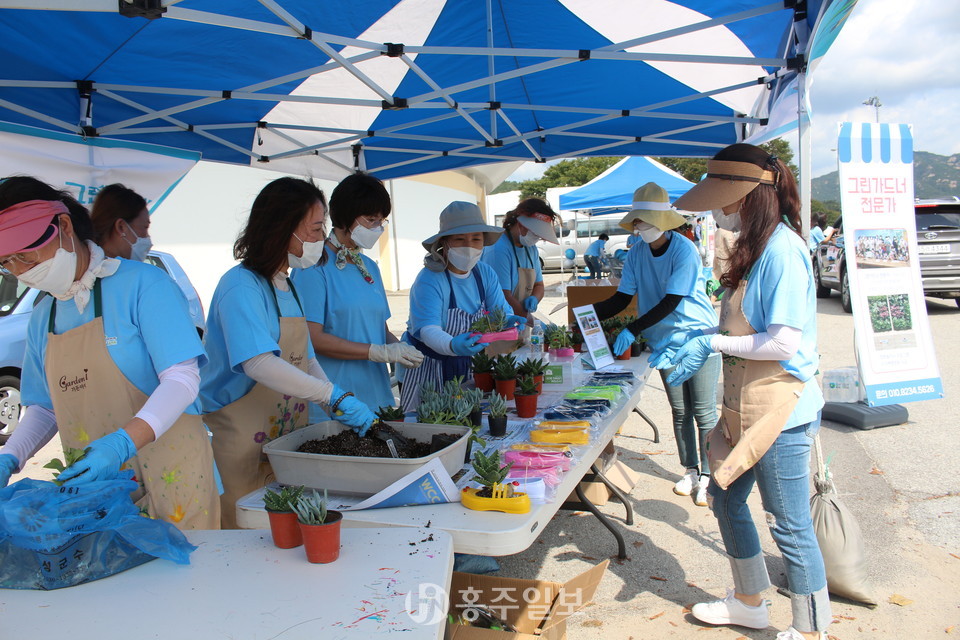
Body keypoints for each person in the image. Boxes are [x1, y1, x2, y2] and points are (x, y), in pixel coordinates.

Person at [662, 143, 829, 640]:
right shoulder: (753, 248)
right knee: (725, 498)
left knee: (789, 523)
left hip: (781, 408)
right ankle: (751, 602)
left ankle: (812, 626)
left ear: (749, 197)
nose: (717, 210)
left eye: (723, 200)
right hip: (742, 403)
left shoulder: (783, 250)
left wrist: (710, 341)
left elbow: (781, 342)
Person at [0, 177, 219, 529]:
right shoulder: (44, 315)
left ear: (64, 227)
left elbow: (182, 378)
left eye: (26, 255)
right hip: (98, 489)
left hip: (173, 474)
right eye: (7, 263)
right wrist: (11, 456)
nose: (20, 271)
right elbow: (45, 407)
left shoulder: (145, 285)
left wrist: (121, 443)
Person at [201, 177, 376, 528]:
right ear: (284, 228)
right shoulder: (241, 286)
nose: (320, 238)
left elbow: (306, 359)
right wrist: (332, 394)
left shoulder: (287, 285)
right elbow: (258, 362)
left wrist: (335, 405)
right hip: (240, 445)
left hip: (283, 442)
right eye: (314, 228)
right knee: (248, 538)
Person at [592, 182, 720, 506]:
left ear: (663, 221)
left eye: (645, 221)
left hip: (697, 336)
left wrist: (632, 329)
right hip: (663, 341)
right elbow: (622, 298)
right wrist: (586, 315)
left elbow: (671, 302)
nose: (640, 227)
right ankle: (690, 469)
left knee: (703, 411)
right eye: (637, 221)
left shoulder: (684, 250)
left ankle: (710, 477)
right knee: (680, 410)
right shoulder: (636, 253)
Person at [290, 174, 422, 419]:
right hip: (335, 400)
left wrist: (400, 349)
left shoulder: (369, 267)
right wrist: (375, 352)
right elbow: (312, 338)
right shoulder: (313, 267)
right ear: (345, 217)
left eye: (382, 220)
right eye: (371, 219)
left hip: (376, 397)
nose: (378, 228)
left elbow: (378, 329)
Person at [401, 202, 525, 411]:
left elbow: (499, 311)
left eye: (476, 239)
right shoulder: (430, 279)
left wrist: (508, 320)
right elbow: (428, 330)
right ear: (444, 243)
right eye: (459, 239)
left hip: (466, 365)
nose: (469, 245)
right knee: (429, 427)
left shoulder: (484, 273)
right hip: (426, 367)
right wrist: (452, 346)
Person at [481, 198, 558, 324]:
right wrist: (533, 321)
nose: (536, 237)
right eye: (534, 232)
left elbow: (539, 285)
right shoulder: (498, 249)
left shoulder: (531, 248)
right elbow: (503, 296)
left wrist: (534, 298)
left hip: (522, 319)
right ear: (520, 224)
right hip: (499, 322)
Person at [90, 184, 153, 261]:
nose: (147, 238)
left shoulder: (80, 267)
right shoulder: (144, 272)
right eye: (145, 227)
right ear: (121, 227)